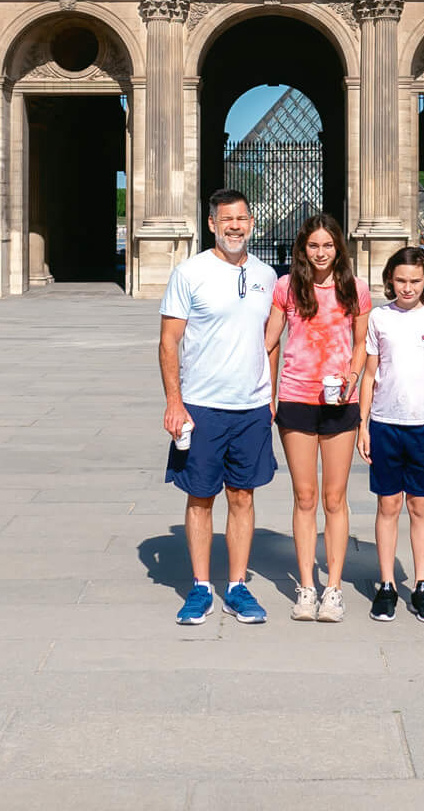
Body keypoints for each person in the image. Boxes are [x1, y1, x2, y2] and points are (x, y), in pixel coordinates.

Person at [159, 187, 276, 627]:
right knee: (201, 496)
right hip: (203, 405)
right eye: (226, 219)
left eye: (242, 218)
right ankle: (201, 586)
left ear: (251, 223)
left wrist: (272, 395)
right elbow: (169, 341)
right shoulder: (189, 273)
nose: (234, 226)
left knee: (243, 496)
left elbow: (271, 340)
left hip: (250, 408)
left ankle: (239, 585)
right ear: (211, 223)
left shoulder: (267, 276)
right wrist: (175, 402)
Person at [265, 212, 371, 624]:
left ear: (338, 247)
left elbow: (362, 343)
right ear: (302, 249)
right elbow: (269, 341)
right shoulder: (286, 287)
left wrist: (353, 375)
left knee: (335, 497)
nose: (321, 252)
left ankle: (335, 587)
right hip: (295, 397)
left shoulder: (355, 288)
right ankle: (307, 585)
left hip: (340, 401)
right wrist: (267, 394)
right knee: (305, 496)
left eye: (328, 245)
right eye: (314, 246)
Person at [358, 245, 424, 623]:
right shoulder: (379, 319)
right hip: (385, 423)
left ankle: (421, 585)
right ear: (389, 281)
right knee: (388, 505)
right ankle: (386, 584)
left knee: (420, 505)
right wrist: (363, 424)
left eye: (415, 280)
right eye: (400, 280)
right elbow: (370, 374)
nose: (407, 287)